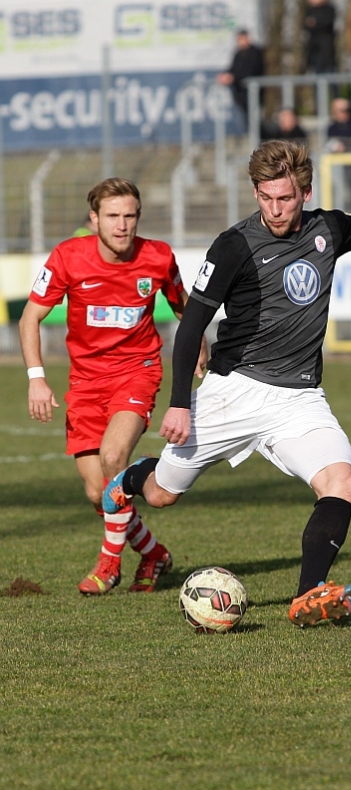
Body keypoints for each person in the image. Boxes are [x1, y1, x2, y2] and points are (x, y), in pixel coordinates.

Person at [101, 141, 351, 628]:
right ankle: (130, 480)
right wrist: (178, 405)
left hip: (298, 398)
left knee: (343, 483)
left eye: (285, 198)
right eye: (266, 197)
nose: (275, 209)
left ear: (305, 193)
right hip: (233, 391)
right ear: (256, 193)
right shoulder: (234, 245)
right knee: (162, 494)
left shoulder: (328, 229)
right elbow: (191, 326)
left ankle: (307, 595)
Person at [19, 177, 207, 596]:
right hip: (85, 382)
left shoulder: (158, 257)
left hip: (137, 372)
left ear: (138, 217)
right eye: (112, 216)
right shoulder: (68, 257)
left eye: (130, 216)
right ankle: (154, 554)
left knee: (113, 457)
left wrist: (197, 342)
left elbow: (184, 305)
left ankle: (108, 565)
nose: (122, 225)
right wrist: (36, 379)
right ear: (94, 219)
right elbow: (30, 317)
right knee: (97, 492)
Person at [216, 29, 264, 129]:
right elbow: (233, 69)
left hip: (253, 94)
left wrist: (233, 77)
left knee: (255, 122)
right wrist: (225, 75)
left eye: (242, 39)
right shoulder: (238, 53)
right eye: (239, 39)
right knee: (246, 122)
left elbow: (251, 71)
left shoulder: (255, 53)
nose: (241, 42)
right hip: (241, 95)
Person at [303, 0, 337, 74]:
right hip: (314, 49)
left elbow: (326, 23)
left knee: (328, 73)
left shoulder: (329, 9)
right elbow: (306, 25)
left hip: (326, 52)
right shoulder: (309, 10)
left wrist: (315, 22)